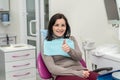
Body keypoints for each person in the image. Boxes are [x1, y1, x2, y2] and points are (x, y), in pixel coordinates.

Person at [42, 13, 99, 80]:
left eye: (63, 25)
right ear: (52, 27)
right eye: (56, 25)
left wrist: (69, 50)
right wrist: (76, 73)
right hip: (62, 75)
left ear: (66, 27)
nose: (60, 28)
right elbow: (52, 69)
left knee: (105, 78)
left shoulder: (71, 39)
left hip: (81, 70)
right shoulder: (47, 44)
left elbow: (79, 57)